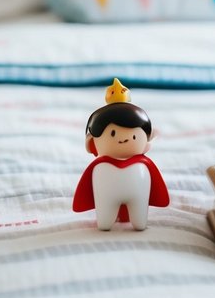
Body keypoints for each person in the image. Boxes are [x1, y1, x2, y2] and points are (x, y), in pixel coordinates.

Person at [72, 79, 170, 230]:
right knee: (105, 220)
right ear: (92, 143)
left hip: (138, 187)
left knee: (139, 218)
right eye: (112, 133)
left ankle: (138, 222)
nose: (124, 139)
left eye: (134, 136)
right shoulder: (100, 167)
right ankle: (106, 222)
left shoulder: (142, 165)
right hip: (106, 188)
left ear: (147, 141)